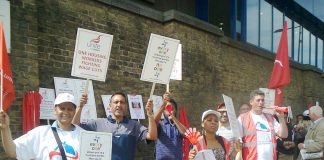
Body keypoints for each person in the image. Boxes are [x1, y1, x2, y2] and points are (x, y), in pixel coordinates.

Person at [72, 92, 157, 160]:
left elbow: (152, 136)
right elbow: (75, 126)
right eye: (116, 102)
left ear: (126, 106)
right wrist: (80, 106)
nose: (119, 105)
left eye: (122, 102)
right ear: (110, 106)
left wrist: (150, 114)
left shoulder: (134, 125)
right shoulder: (97, 123)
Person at [0, 93, 84, 159]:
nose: (66, 112)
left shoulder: (83, 135)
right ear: (55, 110)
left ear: (74, 112)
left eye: (70, 109)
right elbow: (12, 151)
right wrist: (5, 129)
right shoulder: (41, 133)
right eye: (62, 108)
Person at [238, 89, 288, 160]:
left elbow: (284, 135)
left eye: (262, 100)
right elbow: (237, 141)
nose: (261, 102)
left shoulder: (270, 117)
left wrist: (281, 118)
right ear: (251, 102)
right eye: (258, 100)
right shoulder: (242, 118)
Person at [154, 92, 186, 160]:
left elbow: (186, 133)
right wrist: (163, 105)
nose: (169, 110)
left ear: (175, 111)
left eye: (172, 108)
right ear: (163, 111)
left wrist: (173, 117)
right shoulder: (160, 124)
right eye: (167, 108)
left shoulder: (178, 125)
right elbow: (153, 123)